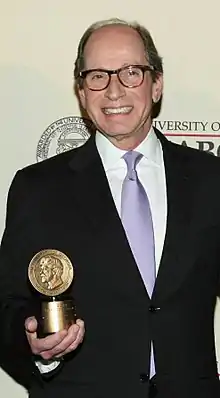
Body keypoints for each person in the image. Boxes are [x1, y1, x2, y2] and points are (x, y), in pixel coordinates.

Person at [0, 17, 220, 398]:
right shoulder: (38, 187)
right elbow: (8, 305)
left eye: (131, 72)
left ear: (157, 84)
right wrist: (34, 343)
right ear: (82, 92)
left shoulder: (211, 179)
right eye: (97, 76)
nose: (114, 90)